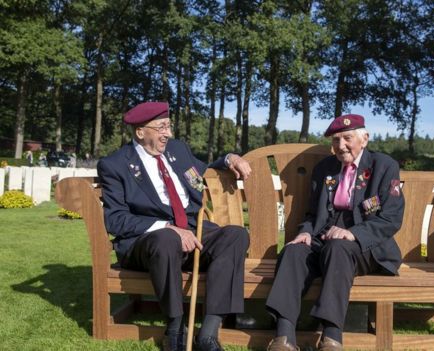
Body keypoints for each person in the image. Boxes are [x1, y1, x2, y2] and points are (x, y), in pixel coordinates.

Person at [97, 102, 252, 351]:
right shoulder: (115, 165)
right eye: (161, 127)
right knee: (166, 239)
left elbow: (204, 169)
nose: (168, 133)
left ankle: (208, 334)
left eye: (168, 126)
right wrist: (168, 226)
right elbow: (115, 219)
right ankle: (175, 327)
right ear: (140, 132)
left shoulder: (177, 150)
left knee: (236, 235)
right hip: (147, 242)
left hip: (193, 229)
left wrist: (229, 158)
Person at [265, 114, 405, 351]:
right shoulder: (325, 168)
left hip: (365, 244)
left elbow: (391, 218)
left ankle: (331, 337)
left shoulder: (384, 166)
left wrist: (354, 234)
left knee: (338, 247)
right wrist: (306, 233)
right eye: (335, 140)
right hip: (325, 237)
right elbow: (312, 214)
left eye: (347, 138)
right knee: (293, 251)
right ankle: (284, 337)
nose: (340, 146)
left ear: (365, 139)